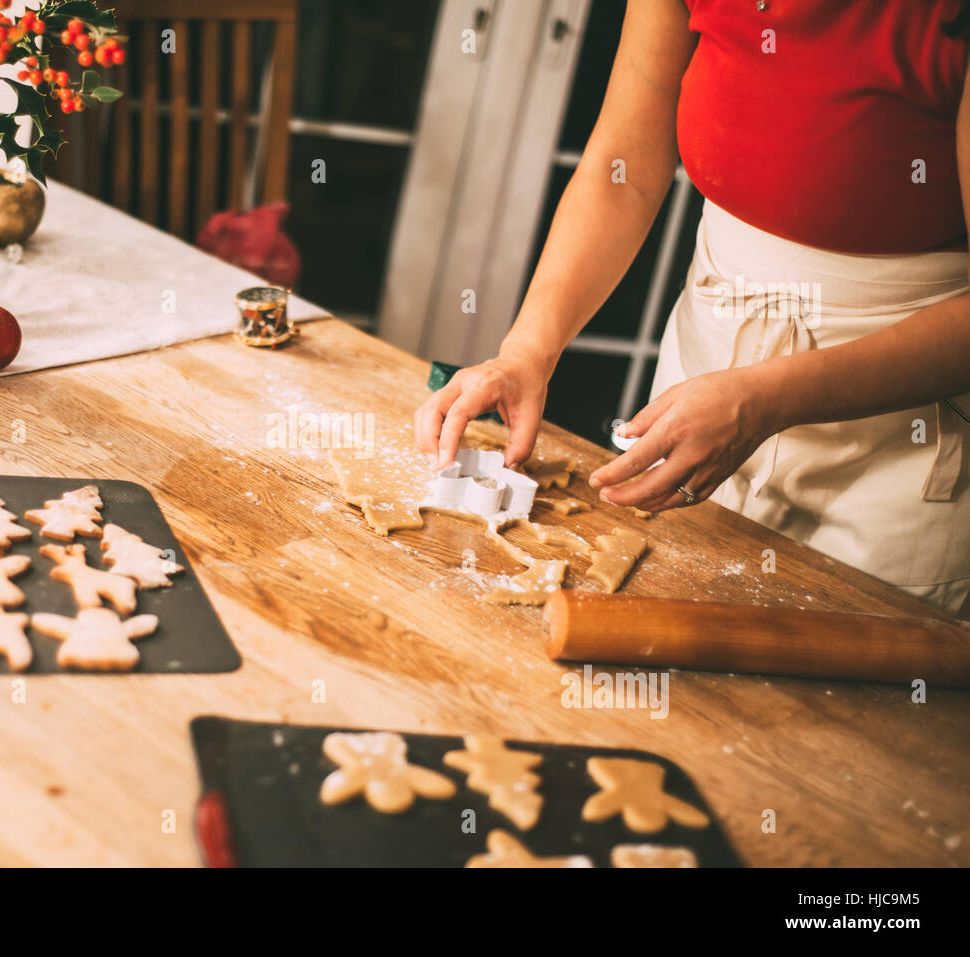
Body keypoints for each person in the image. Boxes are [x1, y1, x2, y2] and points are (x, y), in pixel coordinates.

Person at [415, 0, 970, 615]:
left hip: (897, 428)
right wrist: (525, 353)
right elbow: (621, 168)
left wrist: (763, 399)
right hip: (707, 367)